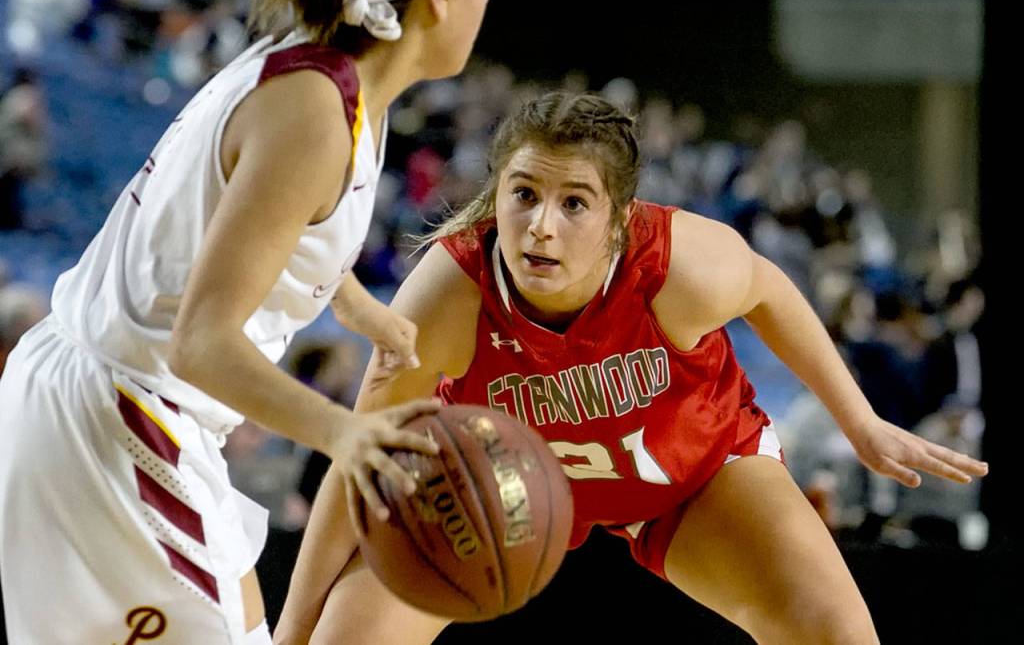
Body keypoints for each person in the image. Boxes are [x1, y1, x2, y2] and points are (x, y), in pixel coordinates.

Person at [275, 92, 988, 644]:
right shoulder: (447, 296)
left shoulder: (680, 263)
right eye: (522, 194)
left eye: (574, 202)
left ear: (618, 218)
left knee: (839, 635)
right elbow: (357, 458)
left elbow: (770, 288)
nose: (541, 226)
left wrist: (858, 421)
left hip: (690, 473)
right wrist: (289, 631)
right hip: (493, 489)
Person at [0, 0, 490, 642]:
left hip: (105, 403)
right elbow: (200, 343)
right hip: (125, 418)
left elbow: (270, 222)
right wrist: (342, 432)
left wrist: (350, 302)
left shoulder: (329, 82)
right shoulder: (314, 114)